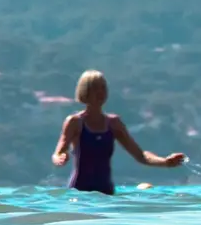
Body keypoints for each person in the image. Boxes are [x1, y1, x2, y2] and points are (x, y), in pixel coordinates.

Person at [51, 71, 186, 193]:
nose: (100, 92)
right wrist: (60, 158)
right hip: (79, 191)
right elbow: (58, 152)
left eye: (103, 88)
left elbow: (140, 155)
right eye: (95, 89)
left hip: (107, 192)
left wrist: (165, 162)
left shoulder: (114, 123)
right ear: (85, 92)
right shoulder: (75, 122)